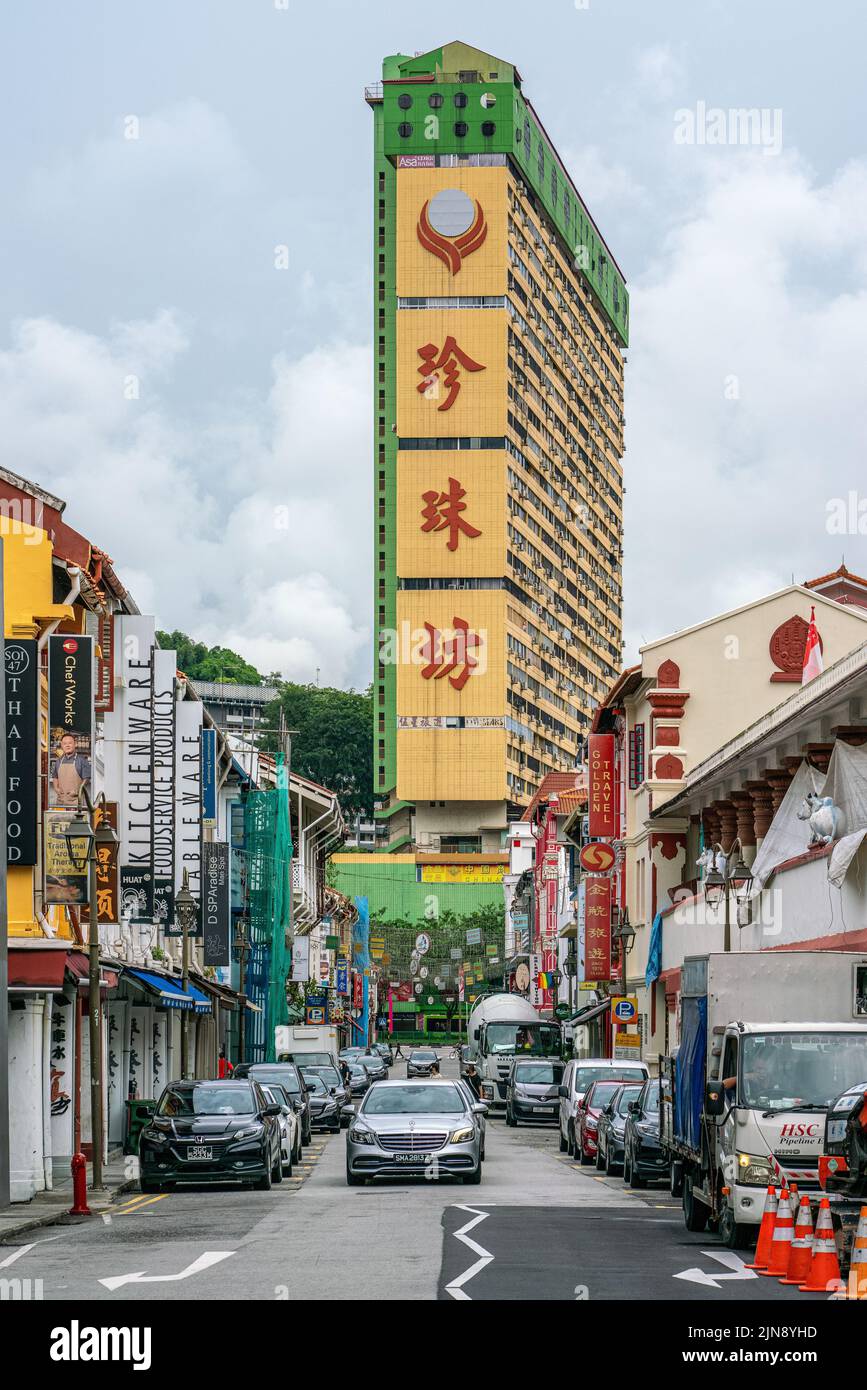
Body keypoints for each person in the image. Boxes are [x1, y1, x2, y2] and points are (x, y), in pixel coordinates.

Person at [50, 732, 92, 808]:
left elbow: (86, 779)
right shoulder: (59, 761)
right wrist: (56, 788)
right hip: (60, 802)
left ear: (75, 744)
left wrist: (77, 791)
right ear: (62, 745)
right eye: (65, 743)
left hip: (75, 802)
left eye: (70, 743)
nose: (67, 745)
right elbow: (55, 776)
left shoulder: (82, 760)